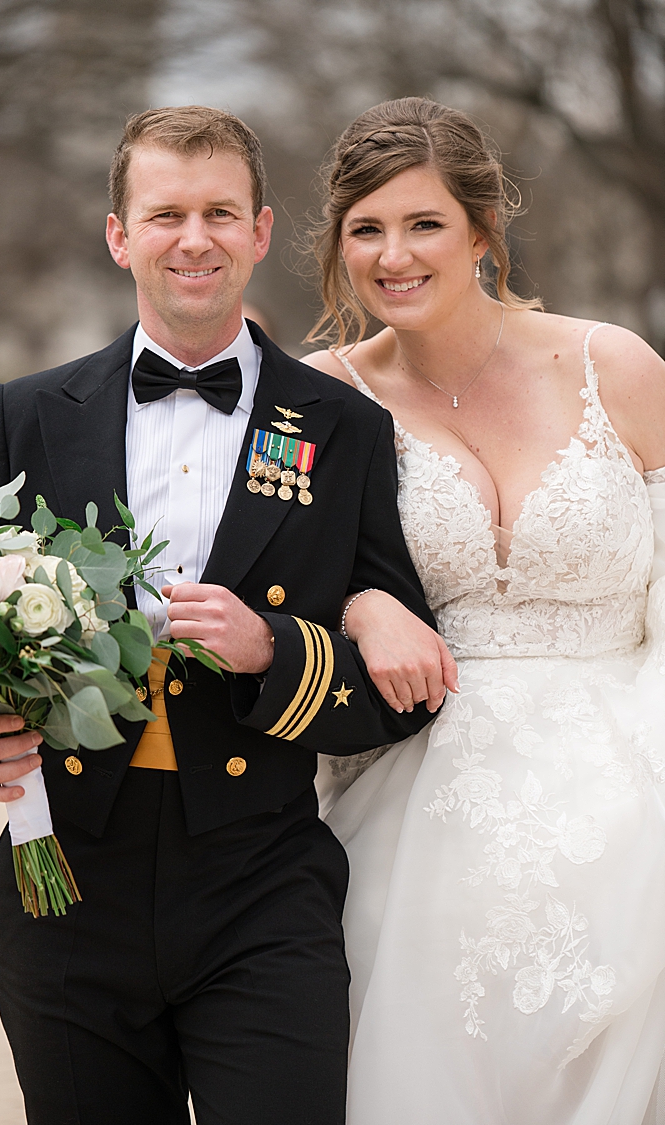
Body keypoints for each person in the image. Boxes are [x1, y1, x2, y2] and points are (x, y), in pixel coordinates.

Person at [0, 105, 439, 1124]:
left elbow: (401, 695)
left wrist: (273, 652)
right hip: (66, 881)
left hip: (261, 880)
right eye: (164, 214)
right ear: (119, 234)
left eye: (218, 213)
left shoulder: (345, 426)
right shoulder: (28, 412)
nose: (192, 239)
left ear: (258, 230)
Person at [301, 97, 665, 1124]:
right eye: (366, 229)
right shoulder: (320, 400)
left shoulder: (617, 368)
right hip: (416, 806)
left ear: (481, 233)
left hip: (635, 788)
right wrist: (365, 601)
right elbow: (280, 585)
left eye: (423, 224)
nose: (394, 255)